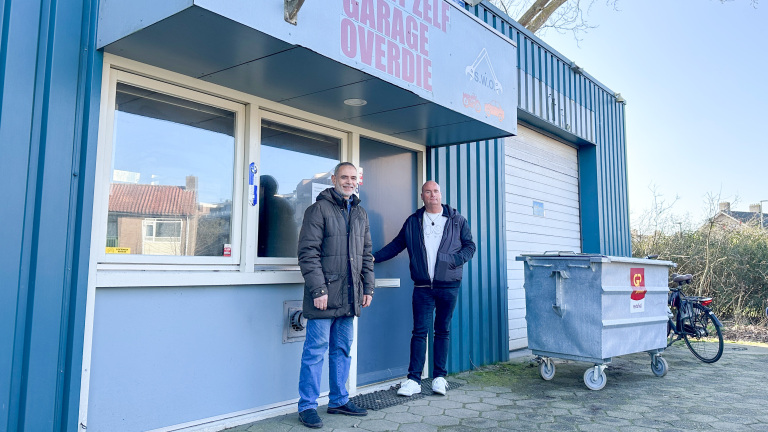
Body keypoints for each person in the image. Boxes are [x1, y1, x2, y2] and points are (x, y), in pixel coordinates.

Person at [373, 180, 475, 397]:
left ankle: (439, 378)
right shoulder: (412, 222)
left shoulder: (457, 220)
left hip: (448, 285)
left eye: (436, 191)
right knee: (419, 332)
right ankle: (414, 380)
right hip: (422, 287)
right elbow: (396, 245)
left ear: (441, 194)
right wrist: (373, 257)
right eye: (428, 192)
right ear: (422, 196)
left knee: (442, 330)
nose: (432, 195)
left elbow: (470, 246)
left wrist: (454, 260)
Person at [296, 162, 375, 429]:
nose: (349, 181)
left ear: (358, 181)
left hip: (351, 294)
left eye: (353, 178)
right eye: (344, 177)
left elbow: (366, 255)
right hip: (324, 295)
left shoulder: (361, 213)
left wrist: (368, 287)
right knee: (315, 351)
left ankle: (339, 400)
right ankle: (307, 406)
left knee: (342, 349)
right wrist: (318, 289)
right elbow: (308, 253)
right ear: (334, 179)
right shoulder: (318, 210)